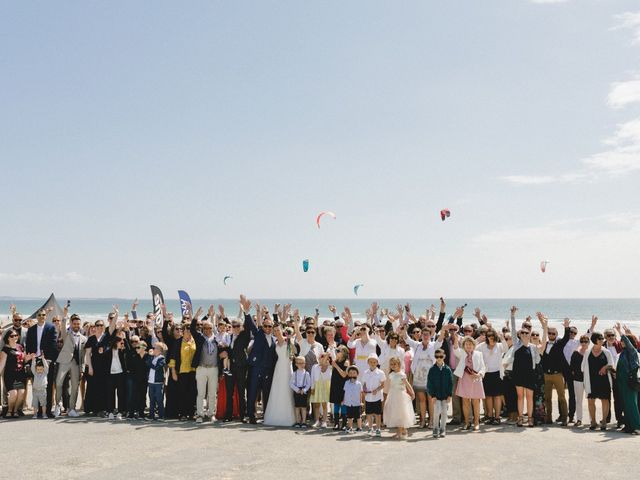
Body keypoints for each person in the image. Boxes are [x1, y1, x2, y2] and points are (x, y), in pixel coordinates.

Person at [506, 308, 548, 427]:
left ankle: (530, 419)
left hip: (530, 375)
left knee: (529, 397)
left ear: (530, 335)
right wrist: (512, 315)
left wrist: (544, 327)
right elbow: (513, 330)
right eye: (522, 333)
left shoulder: (533, 347)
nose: (524, 334)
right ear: (520, 335)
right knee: (520, 397)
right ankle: (520, 418)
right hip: (518, 374)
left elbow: (543, 344)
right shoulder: (516, 345)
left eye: (527, 333)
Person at [241, 295, 277, 424]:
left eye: (269, 327)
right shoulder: (258, 334)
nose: (267, 328)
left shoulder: (274, 339)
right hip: (256, 369)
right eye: (265, 326)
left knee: (266, 394)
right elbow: (251, 324)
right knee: (252, 393)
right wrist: (246, 312)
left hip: (267, 371)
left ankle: (266, 416)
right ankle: (251, 416)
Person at [263, 314, 296, 427]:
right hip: (278, 367)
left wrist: (290, 341)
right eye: (275, 330)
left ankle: (288, 416)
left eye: (278, 330)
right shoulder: (275, 343)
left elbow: (295, 351)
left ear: (282, 330)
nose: (276, 332)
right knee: (277, 389)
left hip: (287, 366)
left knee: (286, 389)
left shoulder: (287, 341)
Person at [191, 307, 221, 423]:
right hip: (201, 368)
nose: (207, 330)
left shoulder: (217, 339)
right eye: (205, 328)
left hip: (214, 369)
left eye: (209, 328)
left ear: (213, 328)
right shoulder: (199, 338)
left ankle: (211, 413)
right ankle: (200, 414)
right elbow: (192, 329)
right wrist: (196, 316)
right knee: (201, 393)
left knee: (212, 394)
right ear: (202, 329)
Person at [25, 309, 58, 417]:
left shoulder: (51, 327)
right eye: (39, 315)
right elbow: (28, 345)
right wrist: (30, 360)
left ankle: (47, 411)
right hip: (35, 360)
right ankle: (38, 410)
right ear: (36, 316)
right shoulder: (31, 329)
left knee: (47, 386)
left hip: (46, 360)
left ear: (46, 316)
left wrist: (49, 359)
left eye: (43, 315)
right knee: (37, 386)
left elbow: (54, 344)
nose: (41, 316)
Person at [54, 312, 86, 418]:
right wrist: (64, 316)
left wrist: (82, 369)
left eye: (78, 324)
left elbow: (83, 356)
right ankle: (57, 405)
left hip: (76, 364)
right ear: (71, 324)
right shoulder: (66, 334)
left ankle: (71, 408)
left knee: (75, 388)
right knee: (58, 383)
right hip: (64, 361)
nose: (76, 325)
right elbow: (62, 327)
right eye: (75, 323)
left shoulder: (83, 338)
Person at [453, 334, 486, 431]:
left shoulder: (478, 354)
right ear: (464, 345)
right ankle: (467, 422)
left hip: (475, 379)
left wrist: (479, 374)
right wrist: (455, 339)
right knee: (465, 402)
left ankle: (476, 422)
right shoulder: (462, 353)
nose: (468, 346)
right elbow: (455, 349)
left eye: (470, 344)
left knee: (476, 402)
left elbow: (483, 367)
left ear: (474, 345)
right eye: (466, 344)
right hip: (464, 379)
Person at [541, 318, 571, 426]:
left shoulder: (559, 344)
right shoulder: (543, 344)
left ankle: (564, 418)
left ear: (556, 335)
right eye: (549, 333)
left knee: (561, 397)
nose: (551, 335)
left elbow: (566, 338)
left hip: (557, 374)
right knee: (547, 398)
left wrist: (566, 327)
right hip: (546, 375)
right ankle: (548, 418)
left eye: (553, 333)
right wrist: (543, 324)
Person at [582, 331, 614, 431]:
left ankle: (604, 421)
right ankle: (593, 422)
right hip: (591, 381)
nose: (602, 340)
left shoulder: (606, 352)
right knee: (591, 401)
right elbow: (583, 367)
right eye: (600, 339)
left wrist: (605, 367)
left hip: (604, 380)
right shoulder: (587, 352)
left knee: (605, 400)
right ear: (595, 340)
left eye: (602, 339)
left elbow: (612, 365)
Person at [475, 328, 506, 424]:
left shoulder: (499, 346)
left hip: (497, 373)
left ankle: (497, 417)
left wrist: (502, 338)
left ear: (495, 336)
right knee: (488, 396)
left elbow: (506, 349)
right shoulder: (482, 346)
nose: (490, 338)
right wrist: (478, 339)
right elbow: (473, 350)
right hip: (486, 374)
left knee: (497, 396)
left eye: (492, 336)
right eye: (488, 336)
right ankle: (490, 416)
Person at [613, 324, 640, 434]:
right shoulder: (623, 353)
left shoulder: (632, 352)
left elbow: (628, 344)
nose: (622, 342)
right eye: (621, 340)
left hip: (630, 382)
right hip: (622, 382)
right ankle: (628, 425)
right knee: (625, 404)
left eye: (624, 340)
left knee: (631, 404)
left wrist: (621, 332)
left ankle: (637, 426)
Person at [168, 321, 197, 421]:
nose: (189, 332)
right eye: (187, 330)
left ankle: (191, 413)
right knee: (182, 393)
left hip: (193, 371)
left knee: (192, 393)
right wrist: (173, 372)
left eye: (190, 330)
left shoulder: (195, 341)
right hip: (182, 371)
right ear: (183, 331)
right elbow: (172, 358)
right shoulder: (178, 342)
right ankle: (183, 413)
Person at [224, 316, 250, 422]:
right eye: (233, 326)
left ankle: (243, 415)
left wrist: (245, 311)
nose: (235, 328)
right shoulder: (229, 337)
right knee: (229, 392)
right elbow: (226, 349)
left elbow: (248, 327)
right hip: (230, 368)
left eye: (237, 326)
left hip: (241, 367)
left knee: (241, 392)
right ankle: (228, 416)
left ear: (241, 326)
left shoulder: (244, 336)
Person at [383, 356, 415, 439]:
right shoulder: (391, 374)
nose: (393, 365)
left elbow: (407, 384)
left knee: (401, 413)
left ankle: (400, 432)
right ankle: (403, 430)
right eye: (391, 364)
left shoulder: (402, 374)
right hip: (393, 394)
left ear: (399, 364)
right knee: (395, 412)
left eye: (394, 364)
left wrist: (412, 393)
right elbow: (390, 385)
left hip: (400, 395)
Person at [0, 329, 28, 418]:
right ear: (8, 338)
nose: (14, 337)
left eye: (16, 335)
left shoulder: (20, 347)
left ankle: (15, 410)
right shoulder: (5, 349)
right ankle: (9, 410)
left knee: (21, 393)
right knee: (13, 394)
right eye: (12, 336)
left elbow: (24, 359)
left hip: (20, 374)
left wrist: (29, 357)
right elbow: (2, 363)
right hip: (10, 375)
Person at [427, 348, 454, 438]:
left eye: (441, 356)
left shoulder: (447, 369)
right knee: (436, 412)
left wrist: (450, 394)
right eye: (437, 357)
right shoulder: (432, 370)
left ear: (444, 357)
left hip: (445, 395)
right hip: (436, 395)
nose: (439, 358)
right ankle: (435, 428)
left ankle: (443, 429)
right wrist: (432, 395)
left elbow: (451, 383)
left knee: (444, 413)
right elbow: (429, 383)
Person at [362, 353, 385, 436]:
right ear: (368, 362)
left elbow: (383, 385)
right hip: (368, 397)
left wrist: (377, 390)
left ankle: (378, 429)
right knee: (369, 413)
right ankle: (370, 428)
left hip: (377, 397)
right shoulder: (365, 372)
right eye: (371, 362)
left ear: (377, 363)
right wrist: (364, 390)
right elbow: (364, 384)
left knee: (377, 414)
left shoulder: (381, 373)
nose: (372, 363)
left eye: (374, 362)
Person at [569, 334, 590, 427]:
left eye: (586, 341)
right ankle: (579, 419)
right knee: (579, 400)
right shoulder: (575, 353)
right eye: (582, 341)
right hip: (578, 379)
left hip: (589, 380)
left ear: (589, 343)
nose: (584, 343)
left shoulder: (591, 353)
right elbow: (572, 368)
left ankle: (592, 420)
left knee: (591, 400)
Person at [309, 352, 333, 428]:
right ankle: (317, 421)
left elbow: (325, 373)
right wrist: (312, 387)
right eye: (321, 356)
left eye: (323, 357)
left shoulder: (328, 366)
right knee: (316, 405)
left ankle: (324, 421)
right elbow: (312, 377)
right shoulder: (314, 366)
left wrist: (326, 359)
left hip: (325, 386)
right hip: (317, 386)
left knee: (324, 404)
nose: (321, 358)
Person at [329, 345, 349, 430]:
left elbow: (344, 375)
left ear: (344, 353)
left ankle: (344, 424)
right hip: (335, 385)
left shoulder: (346, 362)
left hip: (343, 386)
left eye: (339, 351)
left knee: (343, 404)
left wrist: (336, 366)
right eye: (337, 350)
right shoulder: (335, 361)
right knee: (336, 404)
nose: (337, 352)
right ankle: (336, 423)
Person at [146, 341, 167, 421]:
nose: (153, 349)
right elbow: (147, 363)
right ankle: (151, 415)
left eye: (154, 348)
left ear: (159, 350)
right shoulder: (152, 357)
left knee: (159, 399)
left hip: (158, 382)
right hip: (151, 381)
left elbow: (156, 367)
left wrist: (150, 363)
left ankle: (161, 415)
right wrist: (150, 357)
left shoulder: (162, 358)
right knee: (151, 399)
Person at [290, 356, 311, 428]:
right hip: (297, 391)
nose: (301, 365)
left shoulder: (307, 374)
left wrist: (304, 390)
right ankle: (297, 421)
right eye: (299, 363)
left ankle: (304, 422)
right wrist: (297, 389)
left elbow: (309, 384)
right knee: (297, 407)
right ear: (296, 364)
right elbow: (291, 383)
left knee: (303, 407)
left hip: (304, 392)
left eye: (303, 363)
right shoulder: (294, 373)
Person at [342, 365, 363, 433]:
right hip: (349, 402)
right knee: (349, 416)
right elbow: (345, 392)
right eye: (350, 373)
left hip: (356, 403)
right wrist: (343, 400)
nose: (352, 374)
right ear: (348, 374)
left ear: (357, 374)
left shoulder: (359, 384)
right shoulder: (346, 383)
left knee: (358, 416)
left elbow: (360, 393)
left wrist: (361, 401)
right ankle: (350, 427)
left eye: (354, 373)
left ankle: (359, 427)